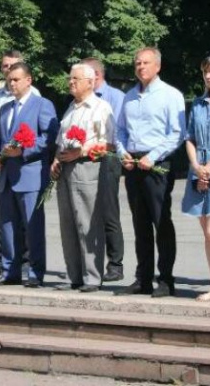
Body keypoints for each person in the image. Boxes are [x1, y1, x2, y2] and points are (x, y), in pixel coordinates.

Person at [116, 47, 185, 298]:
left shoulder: (170, 95)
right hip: (133, 163)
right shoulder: (130, 96)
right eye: (137, 63)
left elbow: (177, 133)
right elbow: (120, 129)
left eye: (146, 63)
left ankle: (165, 279)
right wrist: (123, 151)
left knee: (161, 222)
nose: (140, 67)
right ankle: (142, 278)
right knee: (139, 223)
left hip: (157, 163)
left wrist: (152, 156)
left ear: (157, 66)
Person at [0, 62, 58, 287]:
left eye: (16, 79)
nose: (12, 83)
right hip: (7, 175)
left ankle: (36, 273)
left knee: (32, 226)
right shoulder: (5, 108)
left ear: (29, 80)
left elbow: (49, 137)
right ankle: (10, 271)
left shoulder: (41, 105)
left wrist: (24, 150)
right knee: (7, 226)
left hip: (30, 175)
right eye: (9, 80)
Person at [51, 63, 115, 292]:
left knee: (87, 222)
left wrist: (82, 151)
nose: (71, 82)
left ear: (90, 81)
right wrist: (56, 160)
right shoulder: (70, 108)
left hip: (87, 166)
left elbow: (107, 143)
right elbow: (61, 140)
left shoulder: (100, 107)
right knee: (67, 223)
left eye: (76, 79)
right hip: (65, 168)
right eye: (70, 78)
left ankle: (92, 277)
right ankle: (73, 275)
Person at [0, 50, 41, 277]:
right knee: (2, 218)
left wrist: (21, 151)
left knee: (28, 220)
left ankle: (30, 265)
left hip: (24, 165)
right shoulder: (0, 101)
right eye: (6, 71)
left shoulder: (37, 99)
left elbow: (42, 136)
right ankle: (5, 264)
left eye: (15, 75)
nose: (10, 78)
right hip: (2, 165)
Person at [182, 54, 210, 302]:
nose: (208, 76)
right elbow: (189, 137)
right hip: (198, 169)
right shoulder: (197, 104)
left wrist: (209, 166)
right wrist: (196, 166)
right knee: (206, 232)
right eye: (205, 72)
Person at [82, 57, 126, 282]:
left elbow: (118, 133)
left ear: (96, 77)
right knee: (88, 212)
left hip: (107, 159)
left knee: (109, 210)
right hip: (84, 160)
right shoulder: (80, 100)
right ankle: (90, 262)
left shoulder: (116, 98)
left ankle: (115, 263)